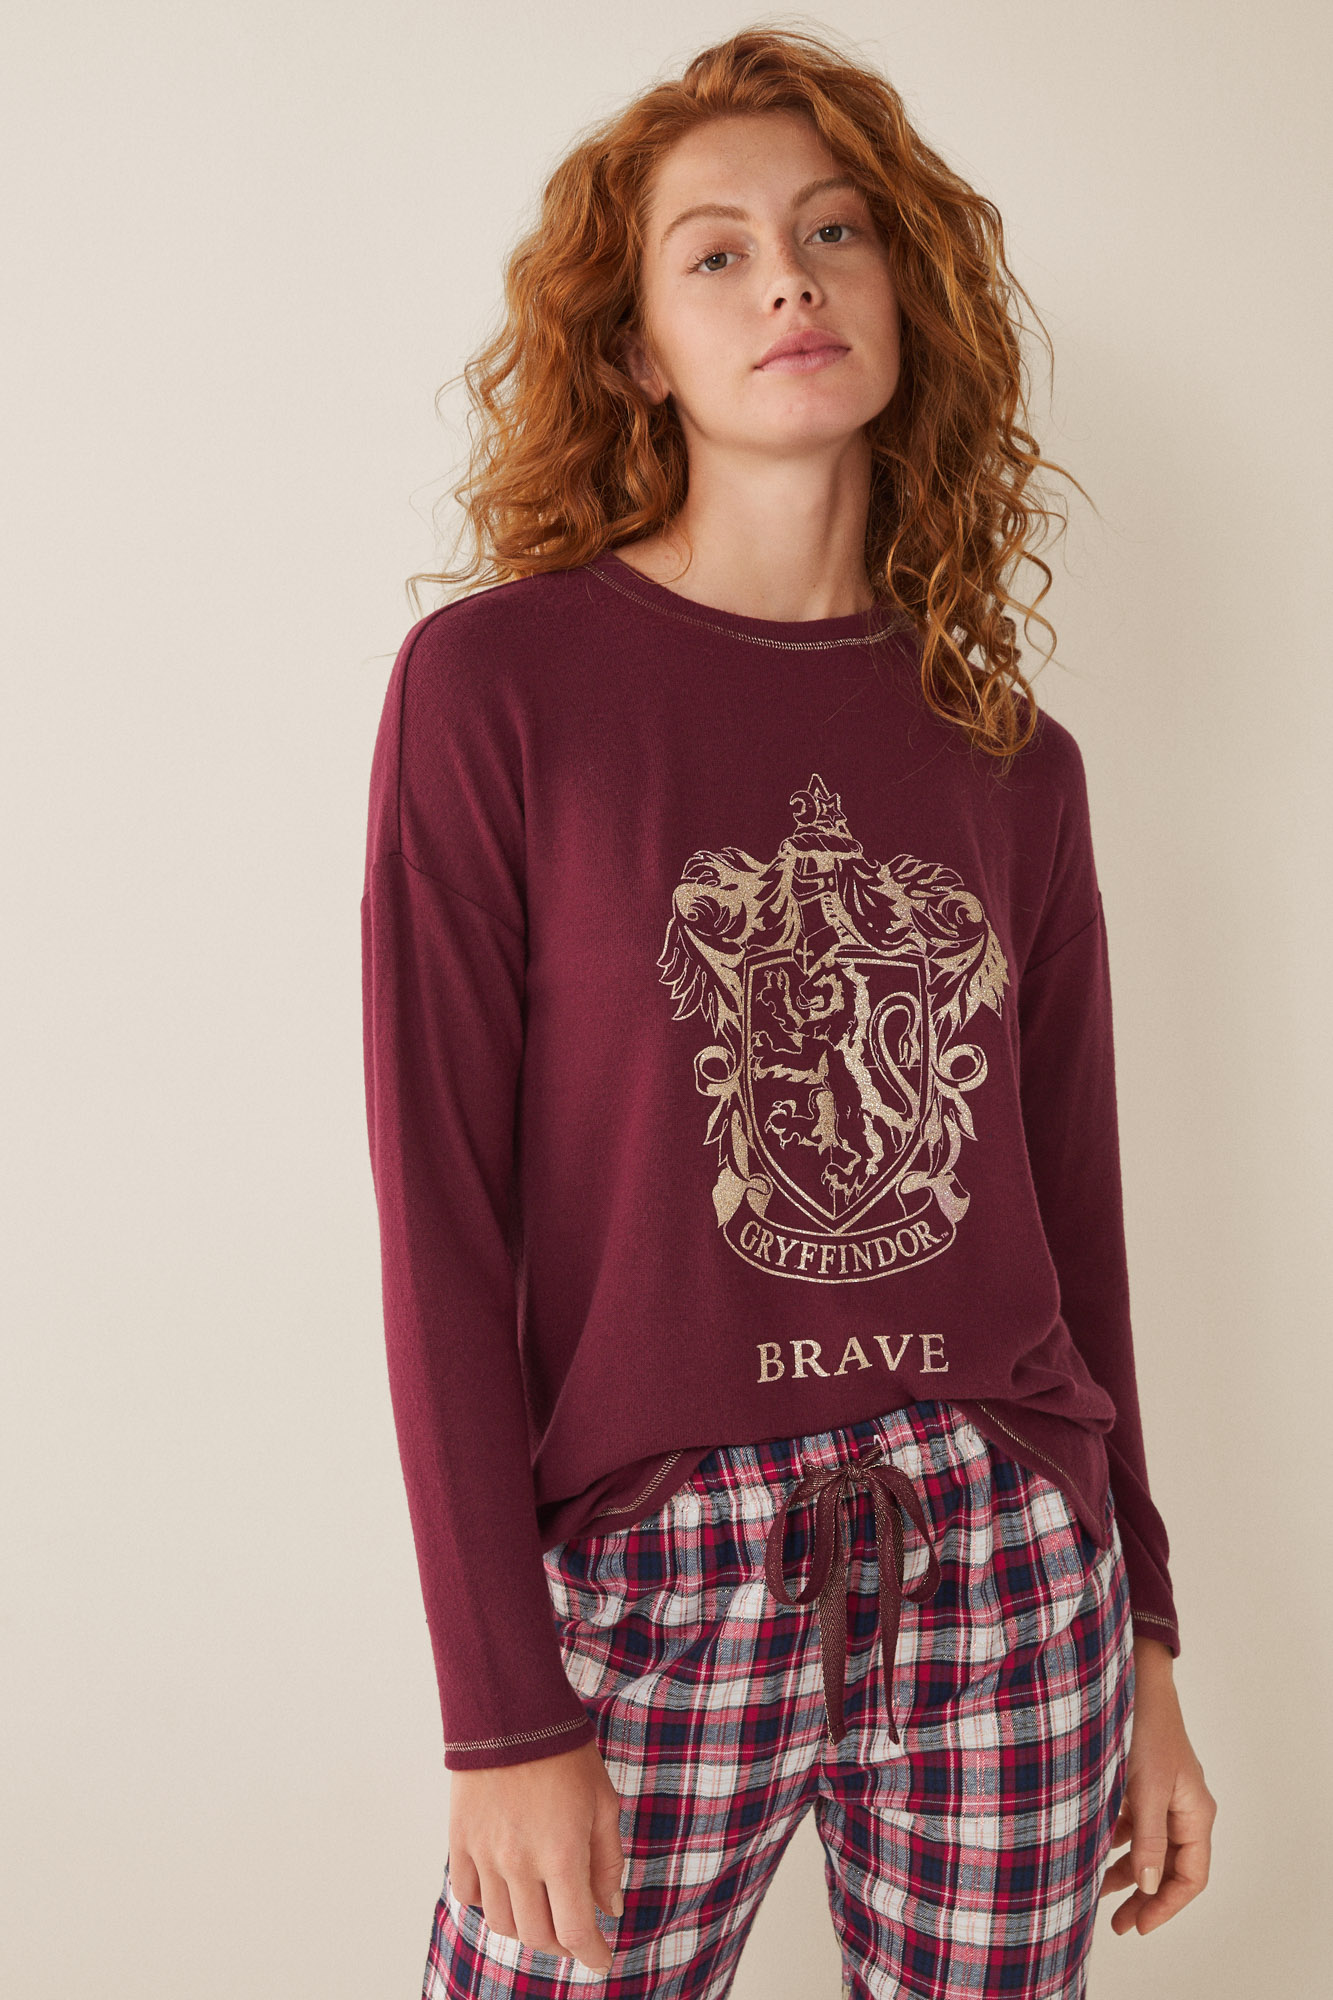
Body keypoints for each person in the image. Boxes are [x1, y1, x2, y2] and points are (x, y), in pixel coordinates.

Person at [360, 25, 1216, 1999]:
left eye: (833, 233)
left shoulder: (1012, 759)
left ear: (904, 296)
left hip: (1007, 1557)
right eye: (717, 252)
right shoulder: (499, 692)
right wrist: (501, 1710)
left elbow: (1071, 1222)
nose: (788, 283)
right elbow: (440, 1219)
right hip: (657, 1569)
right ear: (635, 351)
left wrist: (1149, 1641)